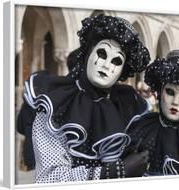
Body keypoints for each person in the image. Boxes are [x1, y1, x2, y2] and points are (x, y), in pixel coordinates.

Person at [20, 14, 151, 183]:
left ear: (122, 71)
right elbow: (49, 179)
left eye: (117, 61)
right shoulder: (56, 106)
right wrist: (115, 172)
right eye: (102, 54)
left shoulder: (127, 107)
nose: (106, 65)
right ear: (88, 53)